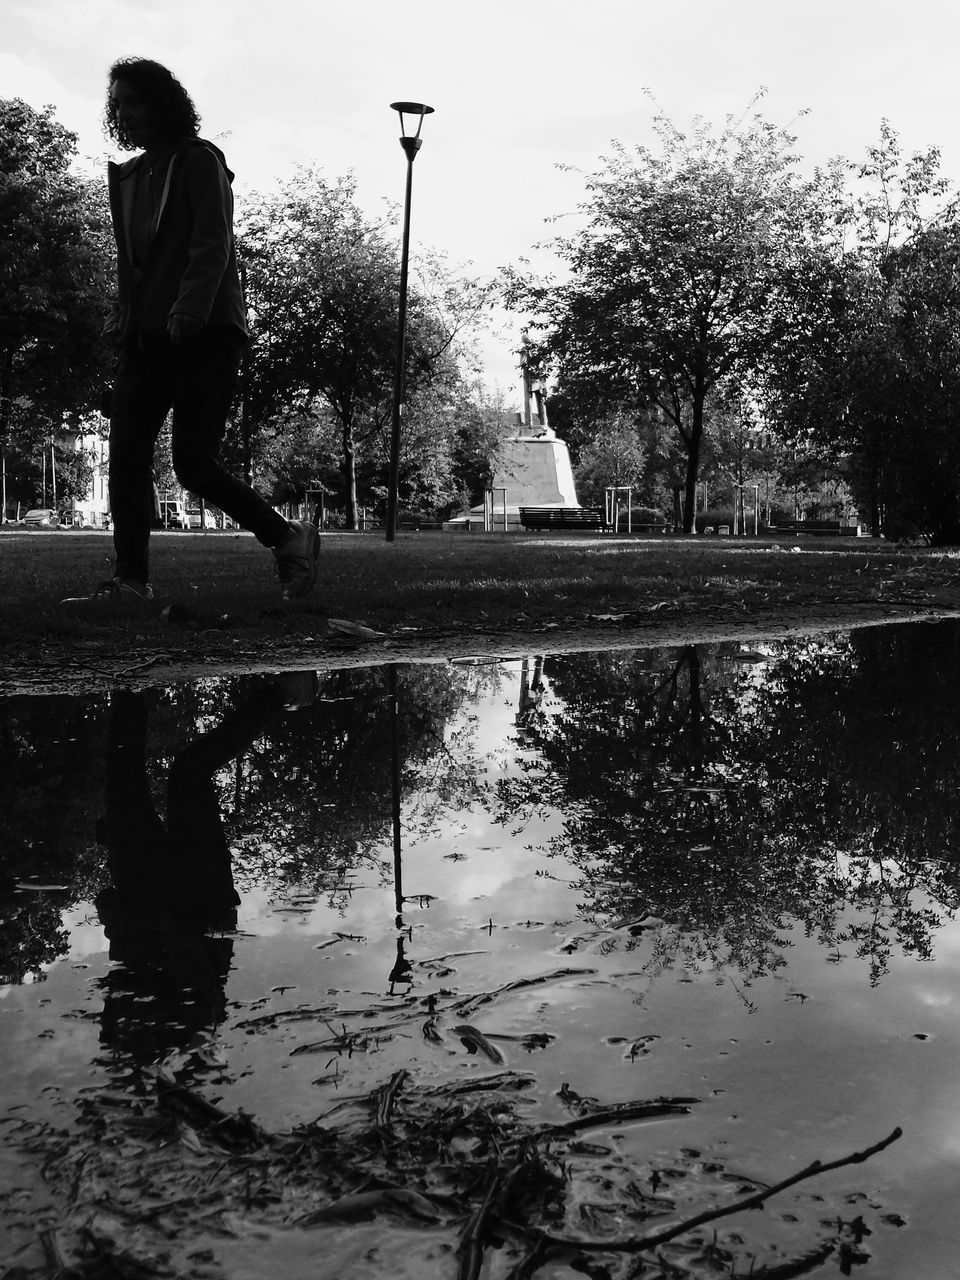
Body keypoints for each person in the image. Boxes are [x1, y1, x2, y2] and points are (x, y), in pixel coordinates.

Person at [78, 57, 318, 603]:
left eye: (132, 101)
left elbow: (213, 241)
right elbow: (135, 260)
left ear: (161, 102)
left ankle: (288, 538)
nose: (123, 112)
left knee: (193, 464)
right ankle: (130, 581)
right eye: (116, 104)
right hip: (148, 337)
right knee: (128, 455)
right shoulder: (134, 175)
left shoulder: (199, 161)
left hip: (205, 331)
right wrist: (126, 310)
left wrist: (188, 308)